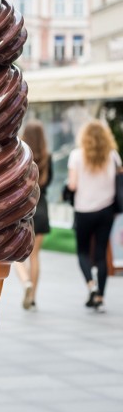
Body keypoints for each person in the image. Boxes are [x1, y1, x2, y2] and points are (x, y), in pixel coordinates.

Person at [68, 120, 121, 313]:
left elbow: (73, 186)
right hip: (106, 210)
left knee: (82, 252)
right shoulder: (113, 156)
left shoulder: (76, 156)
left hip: (83, 211)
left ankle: (91, 285)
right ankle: (100, 296)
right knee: (100, 254)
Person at [15, 121, 52, 310]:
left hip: (25, 208)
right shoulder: (47, 157)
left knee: (16, 257)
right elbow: (48, 183)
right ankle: (34, 296)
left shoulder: (21, 155)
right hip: (42, 208)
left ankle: (26, 283)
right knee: (35, 256)